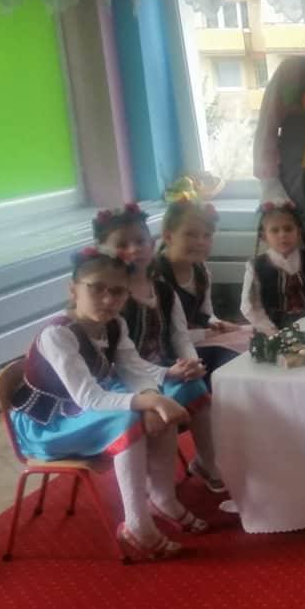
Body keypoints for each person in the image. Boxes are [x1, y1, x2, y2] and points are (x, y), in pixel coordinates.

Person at [8, 249, 205, 560]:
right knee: (130, 417)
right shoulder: (58, 333)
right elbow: (88, 397)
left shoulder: (116, 325)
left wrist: (154, 399)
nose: (108, 299)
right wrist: (151, 400)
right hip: (47, 424)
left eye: (117, 292)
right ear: (73, 290)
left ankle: (163, 497)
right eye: (96, 288)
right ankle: (137, 525)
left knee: (159, 404)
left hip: (80, 411)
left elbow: (134, 369)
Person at [93, 205, 224, 494]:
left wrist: (190, 363)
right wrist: (166, 374)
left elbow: (180, 336)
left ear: (151, 245)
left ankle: (207, 462)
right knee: (158, 407)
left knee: (197, 386)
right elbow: (121, 361)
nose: (134, 249)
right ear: (102, 249)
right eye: (122, 244)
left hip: (161, 369)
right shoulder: (109, 300)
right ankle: (156, 486)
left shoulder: (162, 289)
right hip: (121, 379)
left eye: (140, 241)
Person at [150, 199, 240, 375]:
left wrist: (216, 324)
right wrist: (206, 334)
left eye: (207, 235)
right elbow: (167, 336)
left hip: (196, 340)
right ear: (168, 237)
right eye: (191, 234)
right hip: (167, 355)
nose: (200, 242)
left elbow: (206, 313)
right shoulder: (156, 276)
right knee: (228, 363)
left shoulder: (201, 271)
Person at [240, 201, 305, 336]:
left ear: (299, 232)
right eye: (275, 230)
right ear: (264, 236)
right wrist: (272, 332)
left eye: (288, 229)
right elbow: (250, 307)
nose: (282, 235)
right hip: (272, 329)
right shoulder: (256, 267)